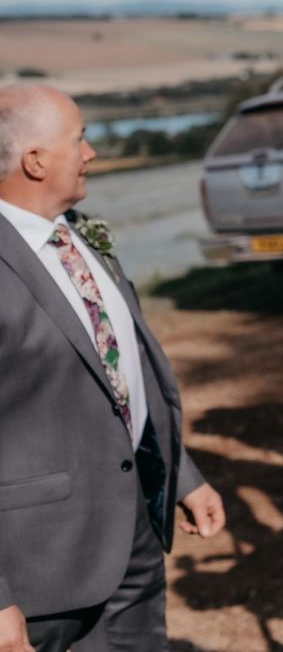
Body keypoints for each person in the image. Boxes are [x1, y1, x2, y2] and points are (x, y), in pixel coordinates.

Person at [0, 84, 226, 652]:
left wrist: (183, 475)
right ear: (35, 161)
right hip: (40, 575)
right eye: (79, 139)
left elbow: (123, 373)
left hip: (133, 535)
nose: (91, 152)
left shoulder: (81, 233)